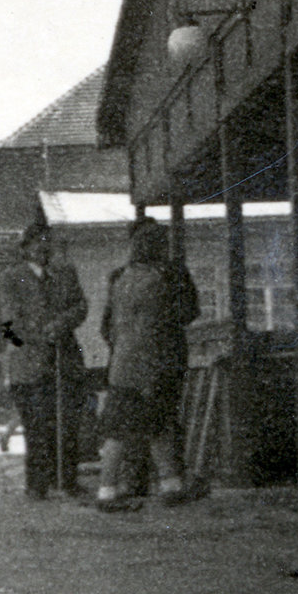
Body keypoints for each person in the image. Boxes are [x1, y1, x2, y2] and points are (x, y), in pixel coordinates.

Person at [95, 218, 201, 511]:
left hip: (122, 363)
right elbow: (181, 316)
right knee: (158, 423)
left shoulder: (121, 278)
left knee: (125, 426)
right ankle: (165, 485)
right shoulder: (164, 278)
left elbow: (107, 327)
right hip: (155, 362)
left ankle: (117, 488)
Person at [0, 218, 88, 500]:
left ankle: (67, 480)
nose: (43, 249)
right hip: (29, 364)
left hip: (64, 358)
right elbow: (8, 323)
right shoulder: (12, 277)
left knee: (67, 422)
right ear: (25, 248)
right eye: (37, 244)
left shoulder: (65, 273)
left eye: (48, 244)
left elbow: (81, 306)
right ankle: (37, 484)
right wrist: (32, 339)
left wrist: (61, 324)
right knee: (37, 425)